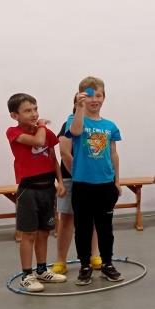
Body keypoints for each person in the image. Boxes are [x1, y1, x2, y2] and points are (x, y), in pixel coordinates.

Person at [6, 93, 67, 292]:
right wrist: (41, 125)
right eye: (27, 111)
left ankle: (41, 270)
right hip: (28, 190)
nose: (33, 114)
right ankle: (27, 275)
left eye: (35, 109)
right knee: (29, 234)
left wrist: (60, 181)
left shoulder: (44, 132)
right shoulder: (13, 132)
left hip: (47, 189)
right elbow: (38, 142)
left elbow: (53, 158)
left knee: (44, 232)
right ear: (14, 115)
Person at [66, 76, 123, 286]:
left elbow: (113, 154)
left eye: (98, 95)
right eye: (89, 96)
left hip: (105, 184)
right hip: (83, 184)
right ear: (81, 97)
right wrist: (79, 107)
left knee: (105, 227)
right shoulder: (74, 120)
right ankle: (85, 266)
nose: (94, 100)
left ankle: (107, 263)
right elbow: (75, 131)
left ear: (104, 97)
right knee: (83, 228)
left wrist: (117, 181)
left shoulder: (110, 126)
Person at [53, 95, 100, 275]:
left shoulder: (96, 125)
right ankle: (60, 260)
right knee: (67, 219)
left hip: (93, 179)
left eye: (97, 97)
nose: (92, 101)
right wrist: (80, 176)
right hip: (71, 178)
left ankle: (94, 255)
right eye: (85, 99)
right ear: (77, 104)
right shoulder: (69, 125)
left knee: (93, 218)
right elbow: (65, 154)